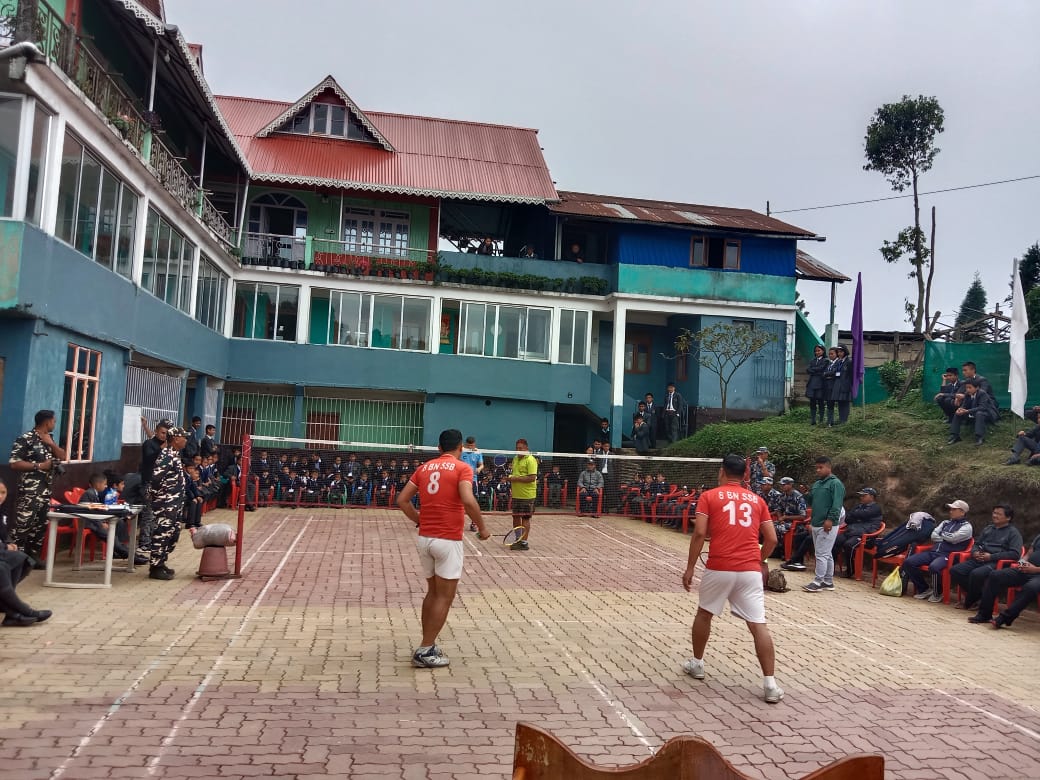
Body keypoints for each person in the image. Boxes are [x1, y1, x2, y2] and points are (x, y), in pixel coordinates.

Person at [681, 454, 782, 704]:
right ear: (745, 475)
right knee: (758, 624)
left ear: (722, 472)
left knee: (705, 613)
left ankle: (698, 663)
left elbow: (700, 533)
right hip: (750, 570)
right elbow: (771, 539)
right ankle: (770, 684)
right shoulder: (758, 500)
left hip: (720, 566)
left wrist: (690, 567)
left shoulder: (709, 496)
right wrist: (758, 561)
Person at [396, 429, 490, 668]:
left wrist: (419, 519)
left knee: (432, 592)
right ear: (460, 448)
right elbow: (468, 500)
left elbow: (402, 500)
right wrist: (483, 528)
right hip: (447, 540)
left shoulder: (424, 468)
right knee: (445, 597)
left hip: (425, 539)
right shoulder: (462, 468)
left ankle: (427, 644)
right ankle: (425, 650)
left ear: (439, 448)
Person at [8, 409, 68, 567]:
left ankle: (31, 558)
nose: (54, 424)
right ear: (47, 421)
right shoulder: (25, 439)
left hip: (45, 490)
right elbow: (14, 463)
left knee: (40, 526)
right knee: (22, 525)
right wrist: (40, 465)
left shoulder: (50, 440)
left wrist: (50, 443)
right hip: (29, 492)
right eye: (54, 421)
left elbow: (62, 456)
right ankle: (14, 559)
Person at [948, 504, 1023, 610]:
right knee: (955, 570)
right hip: (979, 558)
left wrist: (991, 557)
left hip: (996, 562)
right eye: (994, 513)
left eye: (999, 514)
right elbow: (976, 543)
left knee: (976, 574)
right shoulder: (988, 529)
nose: (995, 516)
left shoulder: (1013, 533)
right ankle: (980, 597)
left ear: (1008, 517)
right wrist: (975, 552)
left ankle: (969, 602)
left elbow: (1015, 554)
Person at [0, 479, 52, 627]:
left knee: (21, 559)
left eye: (3, 492)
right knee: (2, 568)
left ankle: (10, 609)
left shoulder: (2, 510)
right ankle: (22, 611)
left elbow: (3, 534)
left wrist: (8, 543)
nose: (0, 496)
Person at [899, 500, 973, 601]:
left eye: (954, 509)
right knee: (909, 562)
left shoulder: (967, 527)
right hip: (933, 552)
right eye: (951, 509)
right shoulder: (945, 522)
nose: (950, 511)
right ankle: (924, 589)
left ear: (962, 512)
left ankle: (938, 593)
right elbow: (933, 536)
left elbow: (953, 538)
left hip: (948, 555)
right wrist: (946, 537)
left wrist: (942, 534)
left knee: (934, 567)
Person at [968, 530, 1040, 628]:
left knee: (1030, 588)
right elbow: (1029, 553)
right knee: (995, 575)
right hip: (1026, 569)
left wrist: (1035, 569)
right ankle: (984, 614)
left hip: (1037, 573)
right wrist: (1022, 562)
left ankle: (1005, 618)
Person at [147, 427, 188, 581]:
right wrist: (160, 499)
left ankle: (161, 562)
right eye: (184, 437)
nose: (186, 440)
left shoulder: (175, 455)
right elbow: (156, 479)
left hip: (174, 503)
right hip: (165, 503)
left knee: (172, 534)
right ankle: (155, 567)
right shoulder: (166, 455)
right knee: (162, 533)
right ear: (176, 438)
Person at [801, 456, 845, 593]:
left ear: (829, 468)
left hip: (827, 524)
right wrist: (806, 493)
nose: (818, 470)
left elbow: (837, 504)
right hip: (816, 522)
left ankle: (818, 581)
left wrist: (830, 520)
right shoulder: (817, 484)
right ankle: (828, 581)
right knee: (826, 554)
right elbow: (812, 501)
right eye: (817, 468)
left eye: (821, 467)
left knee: (821, 554)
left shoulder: (835, 484)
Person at [833, 487, 884, 577]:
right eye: (861, 496)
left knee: (849, 545)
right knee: (834, 541)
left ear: (872, 497)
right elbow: (848, 519)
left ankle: (850, 571)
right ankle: (830, 567)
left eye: (864, 496)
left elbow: (863, 515)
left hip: (866, 536)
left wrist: (856, 515)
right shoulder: (858, 506)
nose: (861, 497)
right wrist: (857, 515)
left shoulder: (876, 508)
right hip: (851, 532)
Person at [506, 439, 539, 550]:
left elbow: (532, 477)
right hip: (516, 494)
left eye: (521, 448)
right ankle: (517, 539)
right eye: (517, 448)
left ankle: (524, 542)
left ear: (526, 448)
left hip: (527, 495)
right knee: (515, 517)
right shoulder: (515, 458)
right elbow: (515, 474)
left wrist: (515, 478)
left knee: (525, 518)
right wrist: (510, 478)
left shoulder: (531, 460)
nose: (518, 450)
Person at [949, 378, 998, 445]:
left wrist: (967, 411)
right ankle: (955, 436)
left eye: (970, 387)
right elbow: (964, 405)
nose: (968, 390)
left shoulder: (982, 394)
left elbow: (983, 407)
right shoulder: (967, 394)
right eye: (966, 388)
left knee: (979, 413)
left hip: (988, 413)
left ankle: (979, 437)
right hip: (972, 412)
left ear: (977, 388)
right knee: (958, 413)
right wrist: (960, 409)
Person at [770, 477, 806, 559]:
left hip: (796, 523)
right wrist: (780, 518)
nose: (782, 487)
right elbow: (778, 509)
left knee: (779, 528)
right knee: (768, 527)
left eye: (784, 485)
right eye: (781, 485)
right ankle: (776, 551)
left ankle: (784, 552)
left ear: (790, 485)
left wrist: (786, 517)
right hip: (784, 521)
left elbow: (802, 516)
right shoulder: (782, 496)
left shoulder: (798, 497)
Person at [459, 437, 484, 531]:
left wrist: (479, 468)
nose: (470, 447)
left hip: (473, 480)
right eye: (469, 445)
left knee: (473, 502)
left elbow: (482, 464)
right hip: (461, 479)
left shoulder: (478, 453)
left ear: (474, 444)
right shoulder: (461, 451)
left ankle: (474, 523)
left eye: (472, 445)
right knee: (459, 502)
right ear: (466, 444)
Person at [829, 345, 854, 425]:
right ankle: (841, 419)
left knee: (845, 403)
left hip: (845, 384)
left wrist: (850, 385)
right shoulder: (839, 362)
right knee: (840, 402)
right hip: (838, 383)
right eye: (838, 352)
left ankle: (844, 420)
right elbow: (835, 371)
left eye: (841, 352)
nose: (839, 353)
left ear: (845, 352)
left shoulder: (849, 362)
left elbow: (851, 375)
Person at [805, 345, 828, 426]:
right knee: (812, 402)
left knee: (821, 402)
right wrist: (816, 370)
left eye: (819, 350)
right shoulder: (812, 360)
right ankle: (813, 420)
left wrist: (813, 370)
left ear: (823, 351)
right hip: (812, 383)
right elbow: (808, 369)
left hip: (821, 384)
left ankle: (821, 419)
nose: (817, 352)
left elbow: (821, 369)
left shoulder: (826, 360)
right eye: (816, 351)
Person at [821, 347, 839, 426]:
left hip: (834, 386)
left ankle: (831, 422)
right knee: (829, 403)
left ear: (836, 354)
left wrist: (828, 374)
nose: (830, 355)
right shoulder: (829, 363)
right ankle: (829, 421)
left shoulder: (838, 362)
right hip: (827, 386)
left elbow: (835, 373)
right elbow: (824, 373)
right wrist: (827, 374)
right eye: (829, 354)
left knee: (832, 403)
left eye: (832, 354)